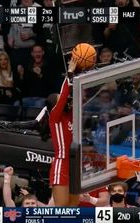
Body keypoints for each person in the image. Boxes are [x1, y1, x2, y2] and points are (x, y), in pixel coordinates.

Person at [45, 57, 79, 207]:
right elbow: (65, 94)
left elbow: (73, 94)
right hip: (62, 163)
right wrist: (69, 73)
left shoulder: (71, 113)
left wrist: (80, 72)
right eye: (60, 100)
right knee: (62, 209)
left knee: (74, 208)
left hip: (75, 163)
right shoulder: (55, 116)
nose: (65, 101)